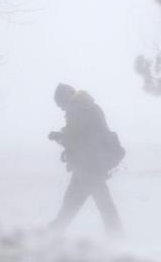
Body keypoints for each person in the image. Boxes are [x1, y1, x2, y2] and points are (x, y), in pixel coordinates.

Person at [47, 83, 123, 235]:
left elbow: (73, 139)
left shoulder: (75, 109)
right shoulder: (90, 107)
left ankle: (116, 233)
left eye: (60, 104)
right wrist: (64, 134)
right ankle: (57, 229)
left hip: (88, 163)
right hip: (95, 160)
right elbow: (88, 132)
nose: (61, 109)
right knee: (73, 199)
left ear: (64, 98)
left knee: (100, 200)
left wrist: (59, 137)